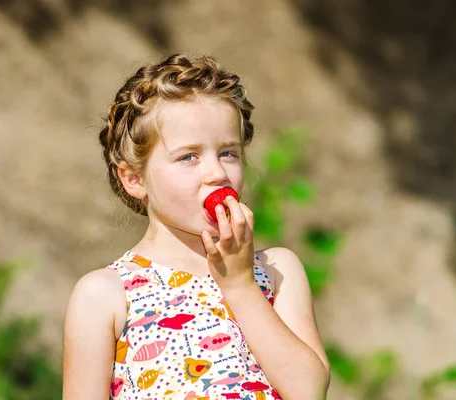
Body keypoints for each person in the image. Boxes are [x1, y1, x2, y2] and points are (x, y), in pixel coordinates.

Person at [62, 53, 330, 400]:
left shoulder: (276, 271)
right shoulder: (105, 294)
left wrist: (241, 286)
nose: (217, 172)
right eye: (188, 156)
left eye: (228, 153)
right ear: (133, 179)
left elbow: (309, 391)